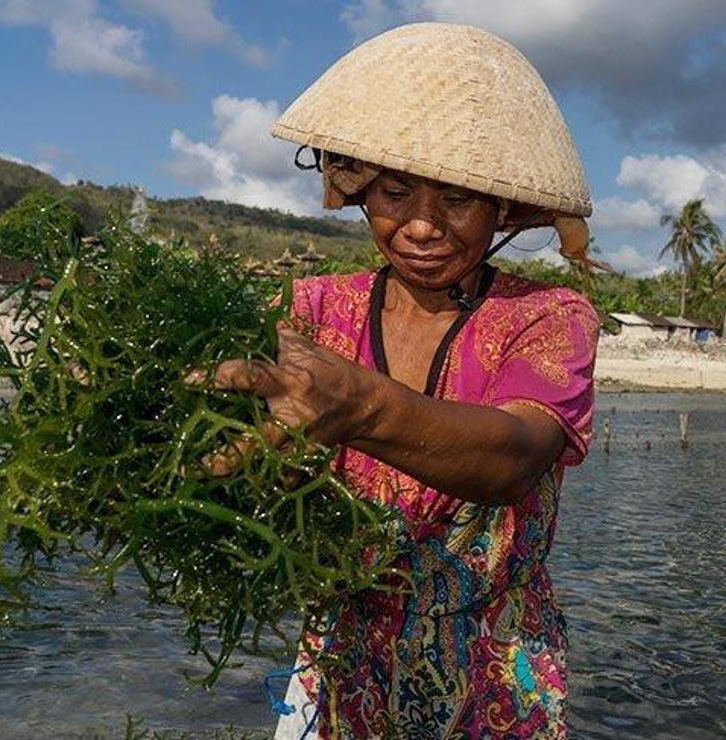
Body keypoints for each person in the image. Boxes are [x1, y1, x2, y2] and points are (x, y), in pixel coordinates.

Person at [207, 23, 598, 738]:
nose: (422, 226)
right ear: (359, 191)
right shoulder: (312, 311)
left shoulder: (545, 319)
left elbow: (512, 456)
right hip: (339, 664)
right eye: (394, 191)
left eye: (457, 199)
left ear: (500, 208)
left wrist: (359, 405)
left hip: (492, 671)